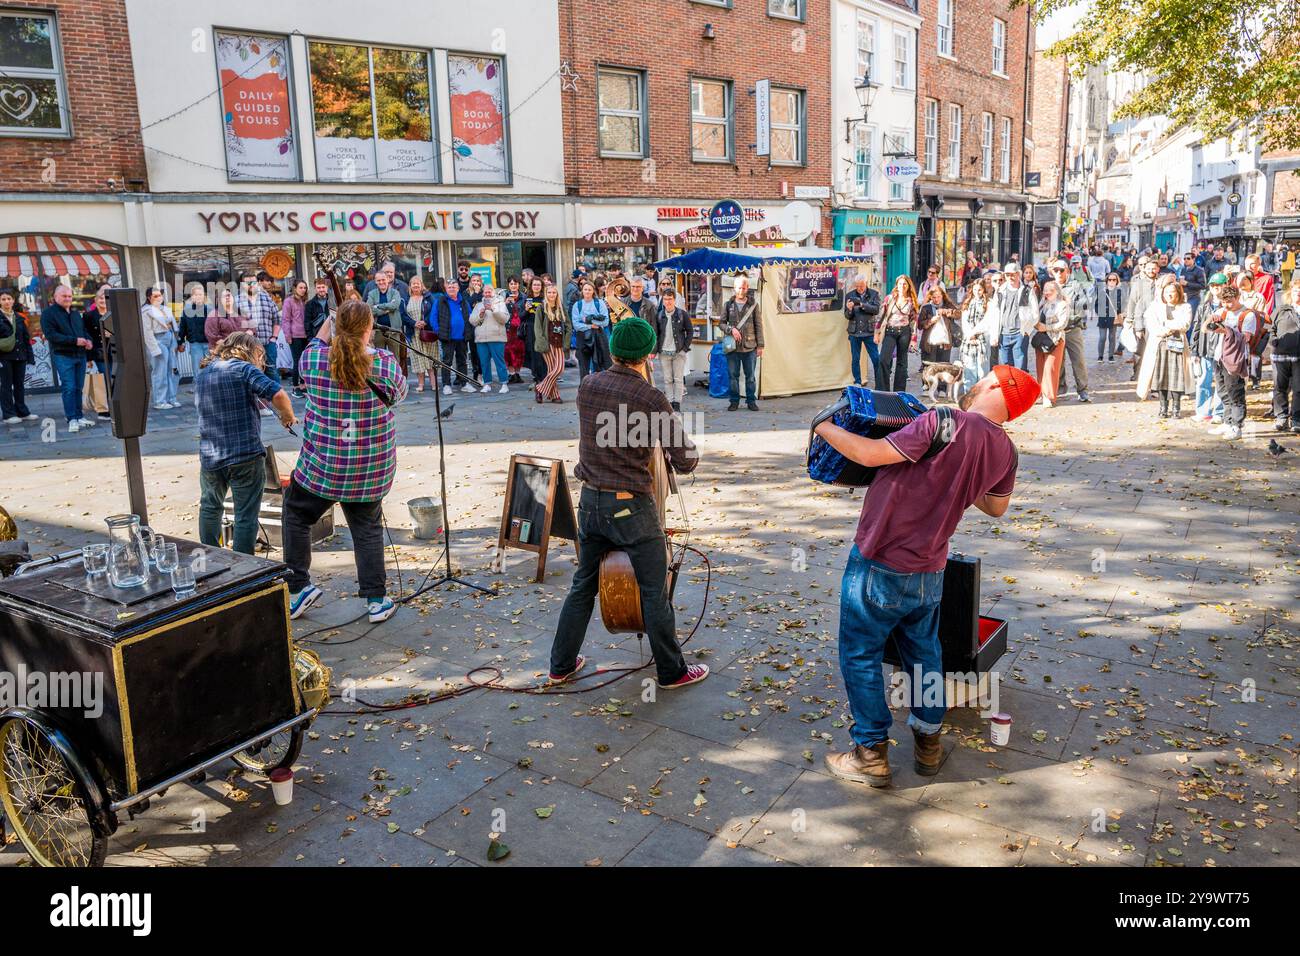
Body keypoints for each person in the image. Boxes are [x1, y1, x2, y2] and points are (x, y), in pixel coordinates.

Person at [811, 364, 1037, 787]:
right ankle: (928, 742)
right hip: (931, 567)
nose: (974, 382)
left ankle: (870, 753)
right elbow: (996, 507)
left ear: (994, 387)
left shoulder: (945, 421)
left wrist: (822, 426)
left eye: (983, 377)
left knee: (859, 653)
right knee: (923, 656)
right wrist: (963, 479)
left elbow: (868, 455)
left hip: (880, 560)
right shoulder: (1006, 450)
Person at [547, 316, 707, 690]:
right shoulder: (649, 397)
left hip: (590, 501)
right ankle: (671, 672)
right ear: (648, 355)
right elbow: (685, 458)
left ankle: (560, 665)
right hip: (630, 505)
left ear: (614, 351)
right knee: (653, 589)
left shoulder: (588, 385)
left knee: (582, 584)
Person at [284, 300, 408, 625]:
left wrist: (331, 320)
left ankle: (298, 588)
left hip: (323, 466)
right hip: (370, 467)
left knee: (297, 514)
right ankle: (376, 600)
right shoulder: (384, 363)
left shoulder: (314, 360)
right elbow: (400, 395)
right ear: (368, 329)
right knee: (367, 530)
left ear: (337, 327)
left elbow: (316, 343)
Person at [195, 332, 295, 554]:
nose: (261, 362)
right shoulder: (243, 368)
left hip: (211, 456)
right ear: (249, 351)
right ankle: (244, 566)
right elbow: (278, 393)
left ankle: (211, 558)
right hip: (244, 455)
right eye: (260, 356)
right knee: (245, 515)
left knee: (210, 508)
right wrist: (288, 416)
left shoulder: (204, 373)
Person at [42, 285, 96, 432]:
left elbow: (83, 331)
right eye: (64, 296)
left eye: (69, 296)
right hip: (63, 355)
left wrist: (88, 340)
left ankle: (79, 416)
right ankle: (71, 418)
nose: (67, 299)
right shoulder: (48, 314)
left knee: (78, 388)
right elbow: (51, 335)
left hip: (80, 355)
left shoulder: (75, 313)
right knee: (69, 388)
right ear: (55, 297)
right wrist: (74, 341)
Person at [1137, 281, 1193, 419]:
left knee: (1177, 378)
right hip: (1160, 346)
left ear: (1178, 293)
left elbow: (1184, 324)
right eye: (1166, 291)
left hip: (1177, 346)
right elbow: (1152, 325)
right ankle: (1163, 407)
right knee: (1161, 378)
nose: (1169, 294)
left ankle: (1176, 408)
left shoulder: (1185, 307)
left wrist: (1165, 324)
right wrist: (1167, 329)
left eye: (1172, 291)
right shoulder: (1155, 307)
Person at [1207, 284, 1257, 441]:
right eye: (1224, 302)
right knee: (1222, 391)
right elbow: (1205, 328)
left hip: (1236, 359)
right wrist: (1212, 319)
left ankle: (1237, 426)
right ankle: (1228, 422)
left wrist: (1226, 330)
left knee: (1236, 393)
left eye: (1230, 302)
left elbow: (1246, 337)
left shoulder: (1247, 315)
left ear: (1238, 298)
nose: (1227, 305)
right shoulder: (1222, 311)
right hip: (1219, 357)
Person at [720, 275, 764, 411]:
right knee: (733, 376)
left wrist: (761, 345)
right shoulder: (728, 305)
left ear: (747, 288)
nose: (741, 290)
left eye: (744, 287)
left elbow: (759, 325)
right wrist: (730, 329)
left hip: (750, 347)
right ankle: (734, 401)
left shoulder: (754, 305)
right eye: (739, 287)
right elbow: (721, 323)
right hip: (732, 348)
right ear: (734, 288)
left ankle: (751, 401)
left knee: (750, 377)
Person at [1190, 273, 1228, 424]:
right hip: (1204, 349)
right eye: (1212, 286)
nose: (1215, 288)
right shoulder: (1203, 307)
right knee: (1202, 381)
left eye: (1218, 285)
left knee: (1220, 382)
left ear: (1225, 285)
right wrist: (1194, 351)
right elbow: (1197, 329)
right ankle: (1202, 411)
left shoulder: (1228, 306)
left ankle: (1219, 411)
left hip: (1222, 350)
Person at [1053, 259, 1092, 402]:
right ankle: (1060, 388)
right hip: (1055, 330)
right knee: (1058, 361)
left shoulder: (1075, 285)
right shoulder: (1050, 286)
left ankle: (1082, 390)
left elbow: (1085, 304)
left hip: (1072, 328)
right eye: (1055, 270)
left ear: (1067, 271)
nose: (1058, 273)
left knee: (1078, 360)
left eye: (1061, 270)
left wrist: (1072, 312)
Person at [653, 286, 693, 412]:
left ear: (674, 299)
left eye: (670, 299)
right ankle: (669, 402)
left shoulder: (682, 314)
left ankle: (677, 403)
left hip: (678, 351)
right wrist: (655, 351)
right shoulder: (659, 315)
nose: (668, 302)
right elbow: (656, 333)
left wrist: (684, 349)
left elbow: (690, 331)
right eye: (665, 299)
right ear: (662, 300)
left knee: (678, 379)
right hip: (664, 352)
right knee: (667, 379)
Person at [874, 275, 917, 392]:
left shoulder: (911, 301)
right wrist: (876, 333)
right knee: (883, 360)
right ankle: (882, 390)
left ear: (908, 286)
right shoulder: (889, 298)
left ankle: (899, 392)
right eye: (900, 284)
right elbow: (881, 316)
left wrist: (914, 339)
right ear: (896, 285)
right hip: (890, 331)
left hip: (904, 332)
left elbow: (914, 322)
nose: (902, 286)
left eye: (904, 284)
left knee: (902, 363)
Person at [139, 286, 180, 411]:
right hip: (158, 340)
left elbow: (173, 325)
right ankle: (160, 401)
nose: (159, 298)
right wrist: (154, 348)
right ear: (149, 297)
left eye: (160, 295)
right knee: (160, 372)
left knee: (172, 370)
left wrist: (175, 340)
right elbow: (146, 332)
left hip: (170, 338)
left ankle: (171, 398)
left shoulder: (165, 309)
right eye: (155, 296)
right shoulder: (146, 311)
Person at [0, 289, 35, 424]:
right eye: (3, 299)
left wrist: (29, 357)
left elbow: (26, 338)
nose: (6, 301)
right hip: (4, 357)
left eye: (9, 298)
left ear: (13, 300)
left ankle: (22, 412)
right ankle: (8, 414)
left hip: (20, 356)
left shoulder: (19, 317)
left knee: (19, 385)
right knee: (6, 386)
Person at [993, 263, 1036, 371]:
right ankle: (1009, 388)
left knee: (1020, 367)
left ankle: (1020, 388)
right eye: (1007, 275)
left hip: (1019, 333)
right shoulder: (1000, 291)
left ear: (1018, 274)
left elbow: (1035, 313)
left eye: (1013, 274)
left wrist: (1028, 329)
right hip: (1003, 333)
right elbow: (994, 313)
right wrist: (994, 334)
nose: (1010, 277)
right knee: (1006, 366)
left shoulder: (1027, 291)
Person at [1033, 280, 1069, 407]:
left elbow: (1063, 324)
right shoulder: (1043, 303)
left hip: (1055, 339)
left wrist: (1046, 327)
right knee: (1040, 368)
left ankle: (1049, 397)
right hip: (1040, 340)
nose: (1047, 292)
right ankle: (1041, 394)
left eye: (1050, 290)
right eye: (1045, 290)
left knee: (1051, 368)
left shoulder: (1062, 304)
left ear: (1057, 291)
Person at [1271, 278, 1300, 433]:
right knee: (1280, 387)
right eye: (1296, 291)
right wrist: (1274, 341)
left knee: (1298, 388)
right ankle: (1281, 417)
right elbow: (1270, 328)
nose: (1299, 294)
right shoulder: (1282, 309)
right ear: (1291, 292)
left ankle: (1296, 419)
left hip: (1299, 357)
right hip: (1281, 355)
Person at [533, 283, 570, 404]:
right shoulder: (541, 307)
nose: (551, 295)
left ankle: (539, 388)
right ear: (546, 294)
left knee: (559, 369)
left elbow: (568, 325)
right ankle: (555, 396)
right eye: (549, 292)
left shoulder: (561, 307)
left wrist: (567, 341)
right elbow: (537, 327)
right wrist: (541, 341)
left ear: (557, 294)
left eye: (554, 292)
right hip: (547, 343)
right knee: (552, 369)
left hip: (559, 342)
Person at [959, 277, 997, 394]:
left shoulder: (989, 303)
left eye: (979, 290)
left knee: (982, 368)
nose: (977, 292)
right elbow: (964, 321)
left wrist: (974, 333)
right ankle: (969, 394)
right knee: (969, 368)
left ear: (983, 290)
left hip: (982, 339)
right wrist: (969, 334)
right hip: (969, 340)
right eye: (975, 290)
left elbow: (987, 322)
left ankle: (981, 394)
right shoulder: (968, 303)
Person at [470, 283, 510, 393]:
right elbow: (472, 321)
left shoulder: (500, 303)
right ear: (483, 293)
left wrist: (493, 310)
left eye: (490, 291)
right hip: (481, 338)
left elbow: (505, 319)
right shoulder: (478, 305)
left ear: (493, 292)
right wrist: (480, 315)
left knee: (499, 362)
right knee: (484, 362)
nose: (487, 294)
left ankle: (504, 383)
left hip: (497, 337)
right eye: (485, 292)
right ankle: (487, 384)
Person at [81, 286, 113, 421]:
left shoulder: (114, 314)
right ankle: (103, 410)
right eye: (100, 297)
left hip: (114, 352)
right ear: (96, 299)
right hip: (98, 354)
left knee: (113, 380)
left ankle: (113, 407)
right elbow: (86, 335)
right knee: (103, 380)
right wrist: (88, 358)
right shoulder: (88, 316)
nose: (103, 300)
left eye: (105, 297)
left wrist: (112, 334)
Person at [436, 278, 474, 394]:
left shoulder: (464, 302)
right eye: (449, 287)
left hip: (462, 337)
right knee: (446, 361)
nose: (452, 289)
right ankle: (446, 385)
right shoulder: (440, 301)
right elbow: (433, 317)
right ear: (446, 289)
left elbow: (470, 316)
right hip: (447, 336)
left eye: (454, 287)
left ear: (458, 289)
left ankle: (464, 383)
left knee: (462, 361)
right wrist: (438, 331)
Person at [1126, 257, 1160, 382]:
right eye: (1149, 268)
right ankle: (1138, 373)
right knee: (1140, 351)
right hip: (1141, 321)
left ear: (1158, 269)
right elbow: (1132, 302)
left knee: (1155, 350)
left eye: (1153, 268)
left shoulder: (1161, 282)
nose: (1151, 270)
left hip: (1157, 322)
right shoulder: (1138, 284)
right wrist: (1130, 320)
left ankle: (1153, 376)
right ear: (1145, 269)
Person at [844, 274, 880, 386]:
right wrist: (849, 310)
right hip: (855, 332)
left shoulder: (874, 294)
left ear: (866, 283)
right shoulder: (850, 295)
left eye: (862, 286)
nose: (859, 288)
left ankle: (879, 381)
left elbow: (876, 310)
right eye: (857, 286)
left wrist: (861, 304)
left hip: (869, 331)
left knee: (876, 358)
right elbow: (846, 315)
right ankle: (857, 381)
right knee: (855, 359)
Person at [571, 280, 611, 379]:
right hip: (583, 337)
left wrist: (588, 320)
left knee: (598, 364)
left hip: (598, 336)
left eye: (589, 289)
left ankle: (598, 387)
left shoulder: (600, 303)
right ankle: (584, 387)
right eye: (585, 289)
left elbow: (605, 321)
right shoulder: (577, 305)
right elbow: (576, 324)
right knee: (583, 366)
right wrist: (591, 326)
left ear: (593, 291)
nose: (587, 291)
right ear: (582, 291)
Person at [406, 276, 437, 392]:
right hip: (414, 333)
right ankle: (421, 384)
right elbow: (404, 316)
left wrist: (425, 321)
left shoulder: (428, 297)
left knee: (430, 358)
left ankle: (434, 384)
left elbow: (434, 311)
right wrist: (414, 323)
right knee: (418, 359)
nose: (415, 285)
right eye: (413, 283)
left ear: (421, 285)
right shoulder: (406, 299)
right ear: (410, 286)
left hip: (427, 332)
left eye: (417, 283)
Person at [281, 279, 310, 396]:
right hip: (295, 335)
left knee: (304, 361)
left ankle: (303, 385)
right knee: (297, 361)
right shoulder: (289, 301)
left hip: (306, 335)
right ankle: (295, 386)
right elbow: (285, 320)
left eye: (304, 288)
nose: (303, 290)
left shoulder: (306, 301)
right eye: (300, 287)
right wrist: (288, 336)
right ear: (295, 288)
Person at [918, 286, 960, 368]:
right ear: (930, 297)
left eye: (938, 297)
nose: (936, 299)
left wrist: (945, 311)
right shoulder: (926, 307)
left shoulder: (948, 305)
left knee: (943, 368)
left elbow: (958, 314)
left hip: (945, 343)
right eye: (934, 297)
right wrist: (930, 321)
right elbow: (919, 325)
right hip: (929, 343)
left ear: (942, 296)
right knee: (929, 368)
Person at [180, 284, 213, 383]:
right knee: (198, 371)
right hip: (195, 345)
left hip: (209, 344)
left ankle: (211, 395)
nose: (198, 297)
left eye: (200, 294)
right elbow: (183, 327)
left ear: (204, 296)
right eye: (195, 295)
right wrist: (180, 342)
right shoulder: (187, 311)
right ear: (192, 297)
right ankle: (199, 396)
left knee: (210, 370)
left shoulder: (210, 310)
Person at [1095, 272, 1125, 362]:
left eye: (1114, 280)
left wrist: (1119, 310)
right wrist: (1099, 313)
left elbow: (1123, 303)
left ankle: (1110, 356)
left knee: (1112, 337)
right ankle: (1100, 356)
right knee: (1102, 337)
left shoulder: (1119, 291)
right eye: (1110, 279)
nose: (1111, 281)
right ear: (1107, 281)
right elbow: (1096, 304)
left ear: (1117, 281)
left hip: (1114, 317)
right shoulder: (1102, 291)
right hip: (1103, 317)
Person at [305, 276, 332, 341]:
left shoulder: (333, 301)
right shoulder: (310, 304)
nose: (321, 289)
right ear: (315, 289)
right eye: (318, 287)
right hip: (317, 336)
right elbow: (307, 322)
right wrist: (310, 338)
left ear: (327, 287)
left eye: (323, 287)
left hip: (332, 335)